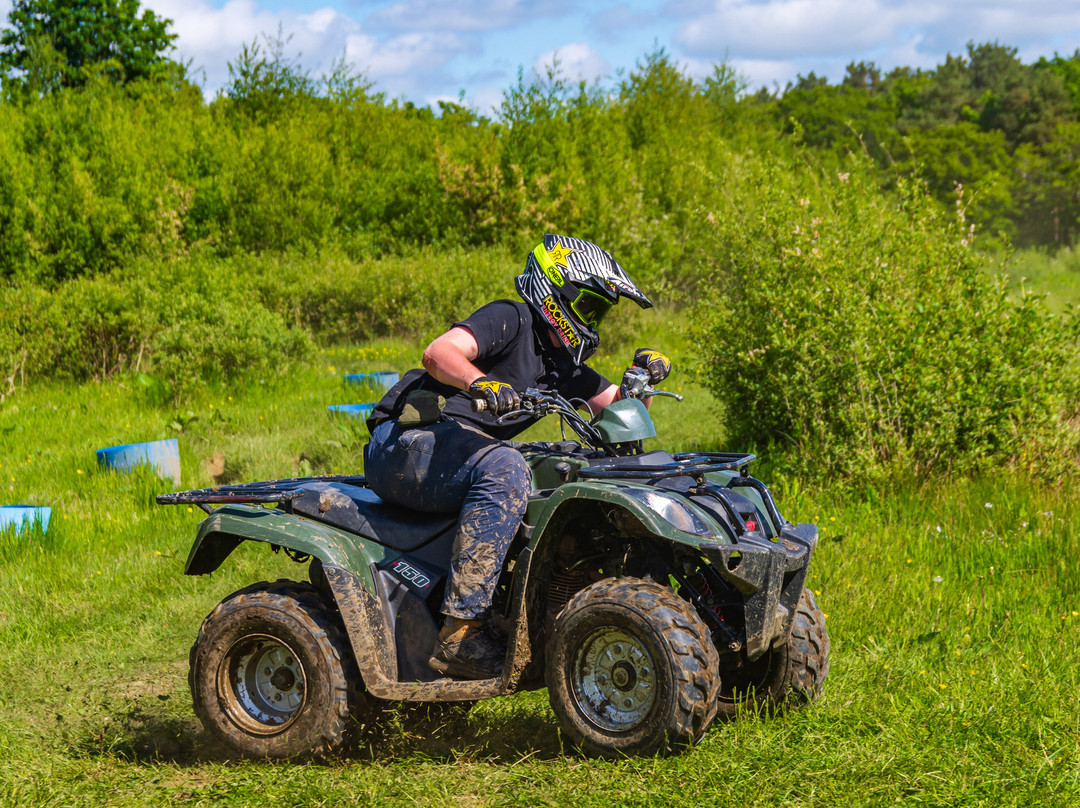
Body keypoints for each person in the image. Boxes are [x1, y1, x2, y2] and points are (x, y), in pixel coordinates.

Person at [363, 234, 672, 680]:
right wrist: (481, 382)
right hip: (407, 441)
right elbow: (438, 352)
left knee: (565, 467)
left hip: (455, 451)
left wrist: (641, 381)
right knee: (506, 467)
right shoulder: (511, 317)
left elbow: (620, 414)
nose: (591, 321)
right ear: (557, 291)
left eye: (599, 313)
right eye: (588, 307)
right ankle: (460, 633)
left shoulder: (560, 363)